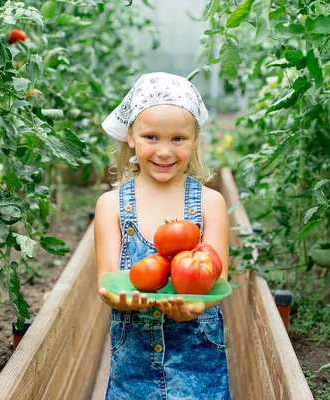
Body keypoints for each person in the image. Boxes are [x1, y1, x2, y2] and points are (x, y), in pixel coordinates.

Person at [94, 72, 231, 399]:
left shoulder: (211, 203)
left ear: (195, 140)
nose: (165, 152)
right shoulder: (110, 205)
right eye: (151, 137)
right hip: (133, 367)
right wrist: (122, 298)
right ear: (131, 136)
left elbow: (219, 277)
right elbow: (107, 280)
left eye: (178, 139)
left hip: (198, 363)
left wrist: (196, 305)